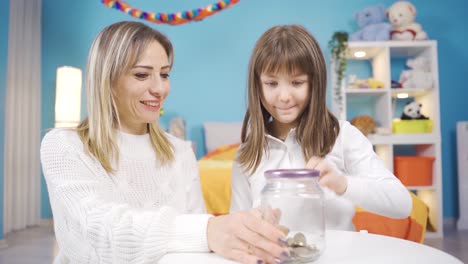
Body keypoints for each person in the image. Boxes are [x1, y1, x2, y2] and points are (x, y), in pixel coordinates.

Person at [40, 21, 289, 264]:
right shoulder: (65, 146)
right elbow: (97, 232)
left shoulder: (180, 152)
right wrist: (206, 231)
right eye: (141, 75)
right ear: (108, 79)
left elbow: (195, 253)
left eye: (165, 74)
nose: (160, 88)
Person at [230, 24, 412, 231]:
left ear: (314, 83)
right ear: (258, 85)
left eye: (297, 82)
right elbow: (237, 223)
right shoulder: (247, 153)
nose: (284, 96)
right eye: (271, 84)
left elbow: (402, 204)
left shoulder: (342, 136)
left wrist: (343, 184)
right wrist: (252, 223)